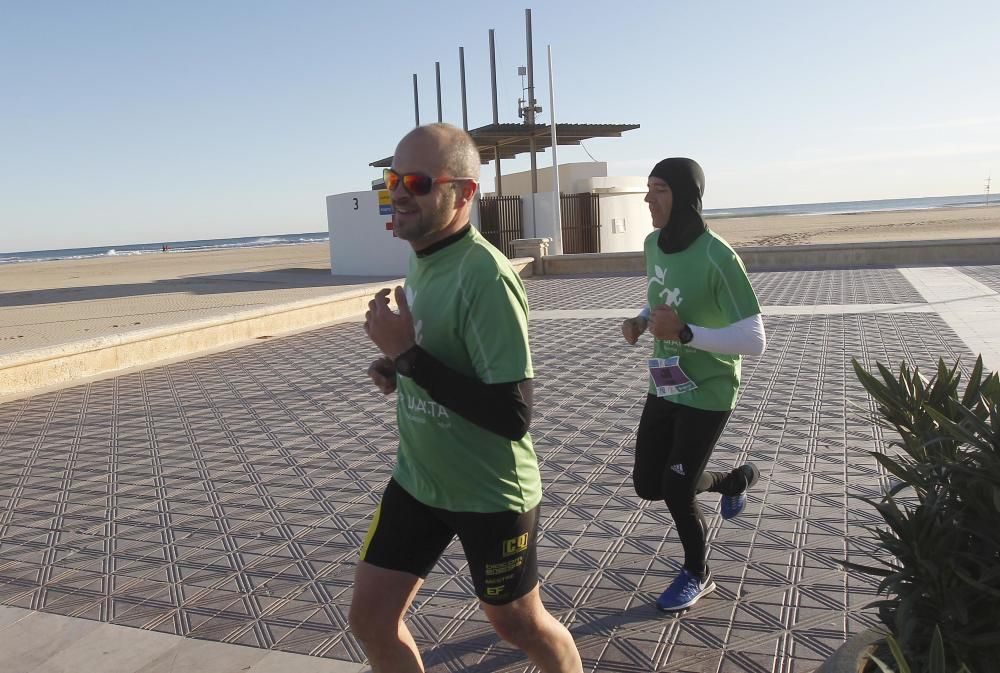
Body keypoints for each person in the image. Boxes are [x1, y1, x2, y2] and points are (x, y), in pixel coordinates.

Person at [350, 122, 582, 673]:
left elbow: (512, 414)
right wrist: (399, 367)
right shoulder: (424, 257)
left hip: (491, 492)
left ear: (465, 193)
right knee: (371, 619)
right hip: (420, 480)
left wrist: (409, 357)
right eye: (392, 179)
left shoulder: (486, 275)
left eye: (419, 182)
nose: (400, 192)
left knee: (516, 623)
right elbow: (446, 359)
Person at [621, 157, 766, 612]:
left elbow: (755, 340)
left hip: (709, 389)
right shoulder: (652, 244)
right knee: (649, 482)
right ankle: (732, 481)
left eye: (659, 189)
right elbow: (661, 300)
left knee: (678, 489)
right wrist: (642, 321)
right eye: (648, 189)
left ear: (684, 196)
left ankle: (698, 572)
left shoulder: (718, 256)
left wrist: (686, 335)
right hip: (665, 382)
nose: (648, 199)